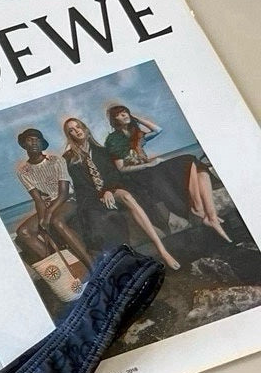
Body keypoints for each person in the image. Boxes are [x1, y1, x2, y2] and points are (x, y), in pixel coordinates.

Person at [62, 116, 180, 271]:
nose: (76, 131)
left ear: (84, 128)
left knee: (127, 196)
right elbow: (80, 186)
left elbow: (113, 174)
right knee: (96, 224)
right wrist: (100, 195)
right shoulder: (69, 158)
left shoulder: (102, 151)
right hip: (92, 197)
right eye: (71, 130)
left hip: (111, 189)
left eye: (78, 126)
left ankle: (162, 250)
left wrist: (107, 191)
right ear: (69, 135)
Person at [104, 104, 230, 243]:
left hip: (149, 169)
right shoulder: (114, 140)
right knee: (187, 162)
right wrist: (148, 164)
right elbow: (121, 168)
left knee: (193, 163)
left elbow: (158, 130)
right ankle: (199, 211)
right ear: (114, 120)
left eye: (125, 112)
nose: (124, 115)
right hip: (136, 176)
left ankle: (211, 216)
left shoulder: (135, 134)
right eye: (120, 114)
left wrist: (136, 118)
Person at [13, 127, 93, 267]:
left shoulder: (56, 161)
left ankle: (91, 263)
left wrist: (48, 214)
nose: (34, 142)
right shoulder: (23, 172)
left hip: (68, 200)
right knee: (23, 231)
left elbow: (64, 193)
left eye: (37, 140)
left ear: (42, 144)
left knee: (56, 221)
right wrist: (42, 219)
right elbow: (38, 199)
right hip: (48, 205)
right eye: (30, 140)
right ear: (24, 144)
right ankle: (60, 266)